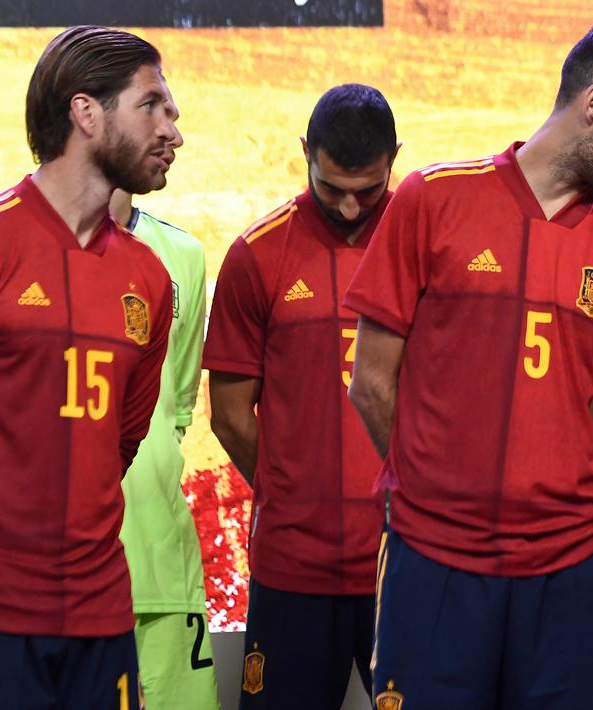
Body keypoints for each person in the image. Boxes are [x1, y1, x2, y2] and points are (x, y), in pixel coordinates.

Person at [344, 15, 593, 709]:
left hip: (567, 568)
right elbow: (370, 383)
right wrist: (438, 489)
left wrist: (542, 478)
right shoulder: (433, 198)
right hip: (432, 561)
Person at [0, 25, 178, 708]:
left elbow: (119, 441)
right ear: (86, 113)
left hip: (99, 615)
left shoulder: (149, 280)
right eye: (153, 107)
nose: (173, 130)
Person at [204, 84, 397, 710]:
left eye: (366, 192)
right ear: (305, 155)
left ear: (395, 158)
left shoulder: (428, 249)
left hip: (401, 565)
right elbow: (231, 415)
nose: (347, 209)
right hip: (291, 570)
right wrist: (293, 490)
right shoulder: (256, 255)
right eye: (330, 188)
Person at [110, 190, 218, 709]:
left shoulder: (183, 255)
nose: (171, 130)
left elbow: (174, 413)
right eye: (150, 104)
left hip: (162, 564)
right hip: (60, 578)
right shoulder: (2, 240)